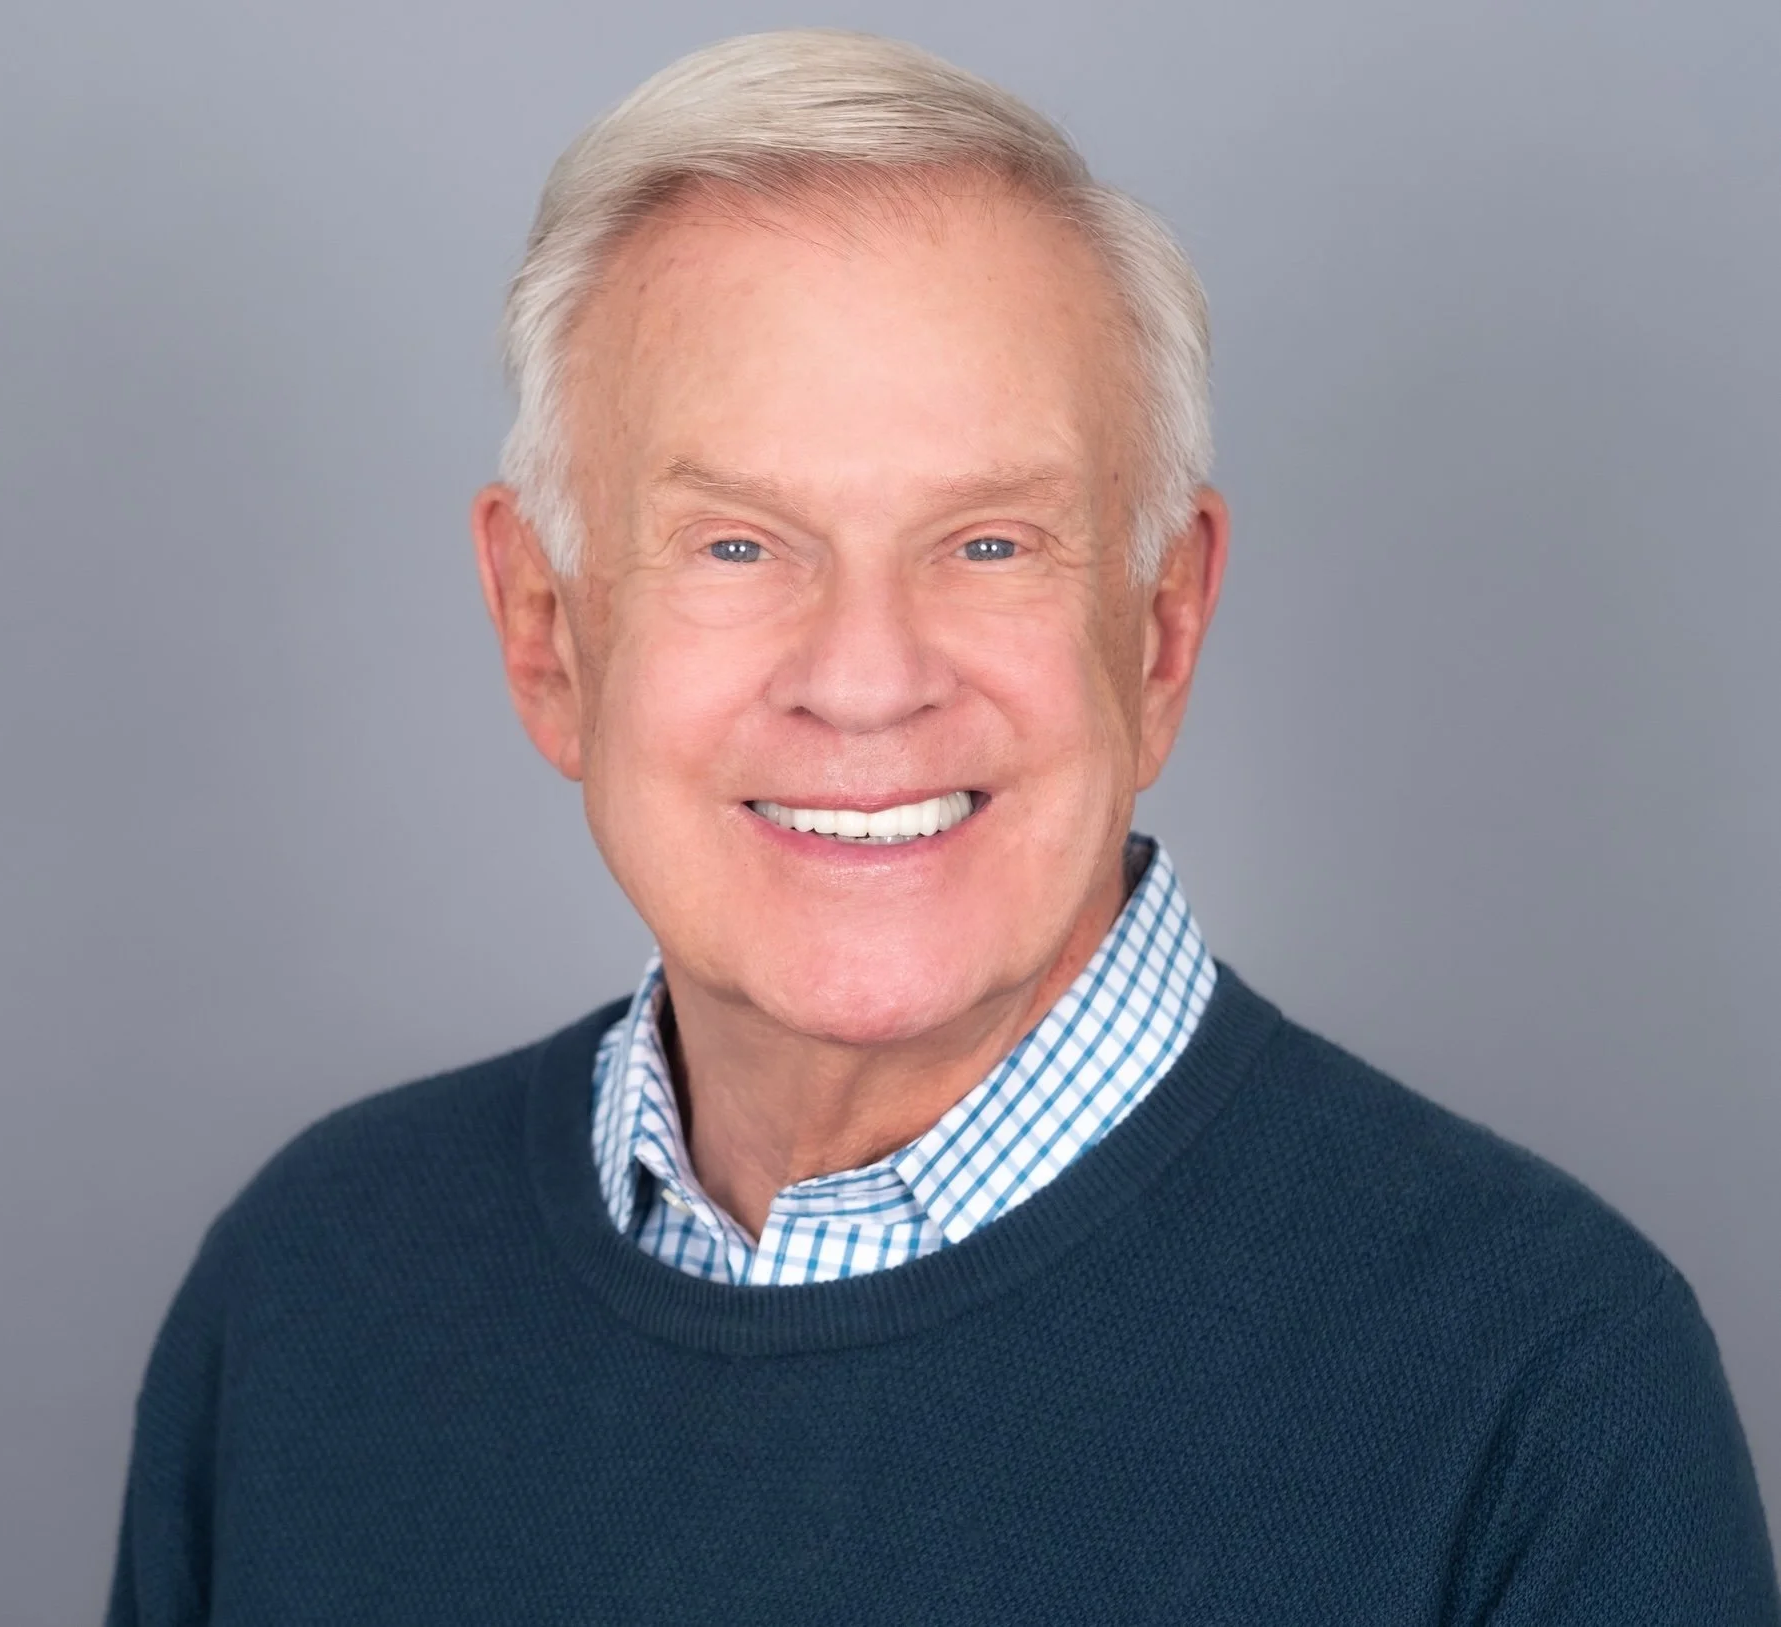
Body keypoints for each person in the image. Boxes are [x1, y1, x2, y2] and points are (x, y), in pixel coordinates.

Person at [105, 28, 1778, 1624]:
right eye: (736, 546)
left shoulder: (1537, 1384)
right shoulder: (311, 1288)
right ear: (546, 631)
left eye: (987, 542)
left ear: (1157, 627)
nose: (863, 679)